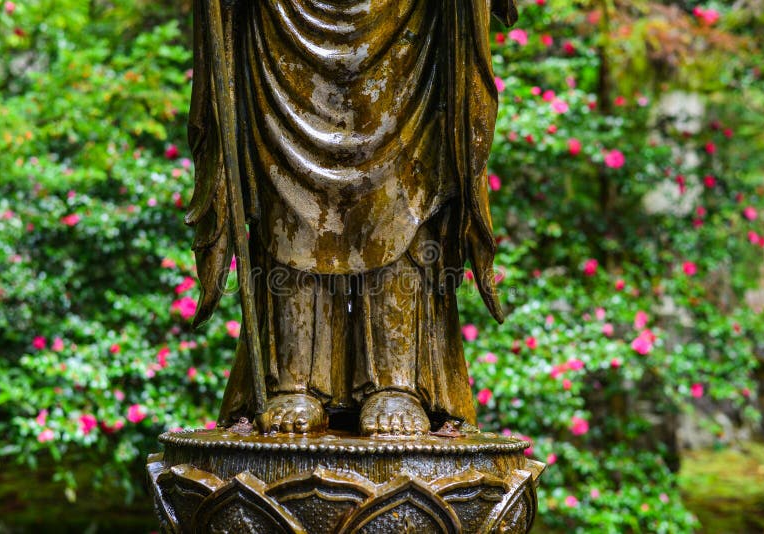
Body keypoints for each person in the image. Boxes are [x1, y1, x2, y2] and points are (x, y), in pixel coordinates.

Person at [186, 0, 517, 435]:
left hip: (403, 18)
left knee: (399, 192)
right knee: (289, 194)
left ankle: (396, 381)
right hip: (285, 17)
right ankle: (294, 379)